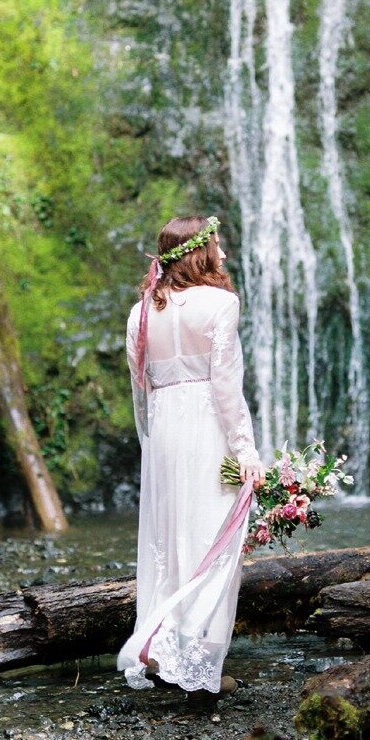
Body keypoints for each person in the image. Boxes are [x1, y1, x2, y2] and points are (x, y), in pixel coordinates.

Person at [115, 214, 265, 694]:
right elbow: (225, 384)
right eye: (217, 245)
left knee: (168, 538)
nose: (222, 254)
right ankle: (200, 667)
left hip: (164, 431)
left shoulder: (140, 312)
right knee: (211, 537)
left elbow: (142, 383)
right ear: (199, 252)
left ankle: (161, 649)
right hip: (206, 425)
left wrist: (153, 435)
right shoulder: (220, 304)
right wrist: (246, 449)